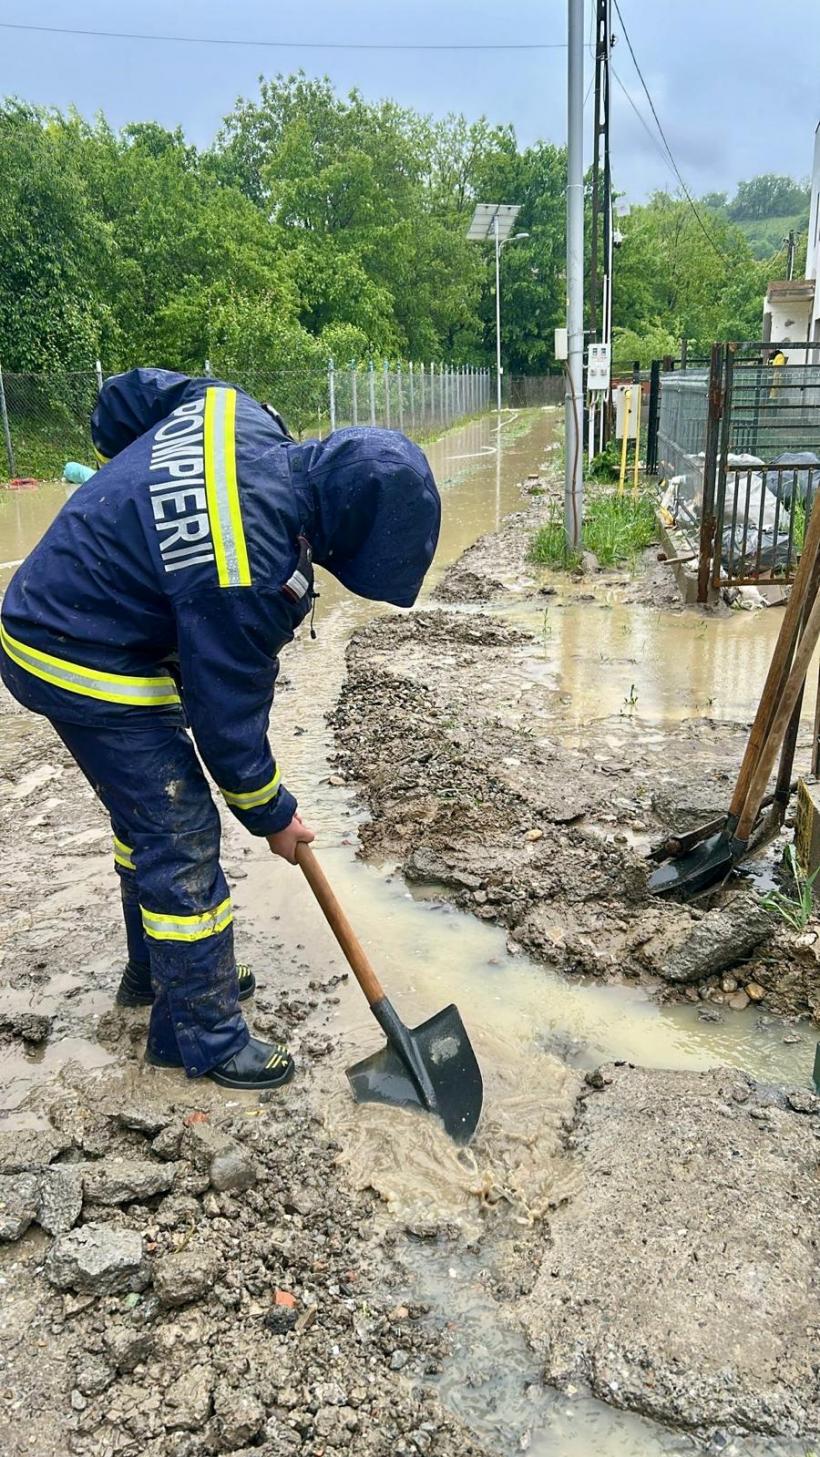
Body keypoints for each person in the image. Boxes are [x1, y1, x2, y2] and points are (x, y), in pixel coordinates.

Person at [0, 368, 441, 1091]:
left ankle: (160, 971)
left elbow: (128, 396)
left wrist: (138, 492)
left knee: (148, 805)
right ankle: (198, 1034)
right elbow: (227, 726)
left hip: (70, 607)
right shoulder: (252, 570)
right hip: (69, 643)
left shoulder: (236, 411)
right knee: (179, 826)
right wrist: (273, 815)